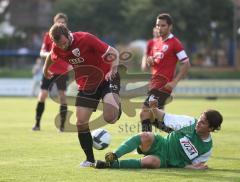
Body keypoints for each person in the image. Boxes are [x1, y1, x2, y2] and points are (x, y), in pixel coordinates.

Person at [43, 23, 121, 167]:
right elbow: (50, 56)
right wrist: (45, 69)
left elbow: (114, 52)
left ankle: (117, 105)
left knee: (110, 118)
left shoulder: (86, 39)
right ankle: (90, 160)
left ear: (68, 34)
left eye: (64, 43)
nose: (62, 47)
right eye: (58, 45)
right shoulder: (57, 47)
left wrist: (113, 70)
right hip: (86, 85)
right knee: (80, 123)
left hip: (106, 78)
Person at [95, 96, 223, 169]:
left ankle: (110, 165)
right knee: (145, 135)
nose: (198, 123)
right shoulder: (189, 122)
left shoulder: (206, 149)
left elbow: (192, 165)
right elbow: (163, 116)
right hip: (160, 143)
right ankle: (114, 156)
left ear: (211, 129)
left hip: (165, 160)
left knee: (151, 162)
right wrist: (154, 108)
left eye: (203, 123)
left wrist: (192, 168)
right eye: (199, 120)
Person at [140, 13, 191, 132]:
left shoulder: (175, 43)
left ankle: (146, 143)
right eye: (158, 25)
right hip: (154, 84)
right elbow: (154, 64)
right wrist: (150, 61)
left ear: (170, 27)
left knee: (144, 113)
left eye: (163, 25)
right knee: (154, 118)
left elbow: (186, 63)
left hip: (163, 86)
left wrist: (174, 82)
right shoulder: (157, 42)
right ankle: (178, 136)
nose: (160, 28)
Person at [32, 13, 70, 132]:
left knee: (62, 97)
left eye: (63, 22)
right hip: (50, 69)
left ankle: (62, 127)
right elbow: (42, 52)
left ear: (66, 24)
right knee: (42, 95)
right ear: (54, 23)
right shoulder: (48, 36)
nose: (61, 24)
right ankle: (37, 124)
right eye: (59, 22)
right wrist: (50, 55)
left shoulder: (70, 36)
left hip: (63, 71)